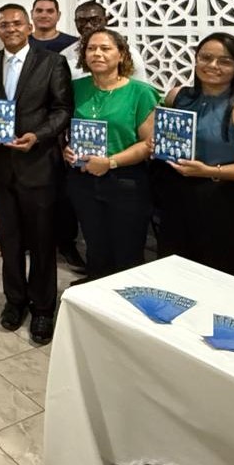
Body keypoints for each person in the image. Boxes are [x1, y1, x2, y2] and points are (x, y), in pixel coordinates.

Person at [0, 4, 73, 345]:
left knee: (42, 241)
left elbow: (63, 109)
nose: (11, 28)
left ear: (29, 27)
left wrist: (38, 136)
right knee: (11, 239)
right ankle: (14, 301)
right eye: (4, 24)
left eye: (17, 23)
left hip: (39, 165)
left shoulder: (52, 62)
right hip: (2, 168)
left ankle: (43, 308)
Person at [151, 33, 234, 277]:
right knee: (172, 271)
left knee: (217, 277)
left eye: (224, 61)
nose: (213, 65)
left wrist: (209, 171)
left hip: (222, 202)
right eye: (205, 58)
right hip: (176, 196)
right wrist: (158, 144)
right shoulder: (177, 96)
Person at [64, 28, 158, 281]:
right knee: (95, 248)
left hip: (126, 181)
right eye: (91, 49)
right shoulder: (75, 88)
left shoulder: (140, 92)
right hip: (83, 180)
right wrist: (66, 149)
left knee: (127, 252)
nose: (97, 54)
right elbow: (66, 128)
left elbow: (148, 144)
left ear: (122, 55)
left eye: (105, 48)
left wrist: (110, 162)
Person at [60, 1, 149, 82]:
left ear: (106, 20)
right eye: (82, 21)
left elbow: (139, 86)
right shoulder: (65, 55)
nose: (88, 25)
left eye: (94, 20)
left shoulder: (126, 52)